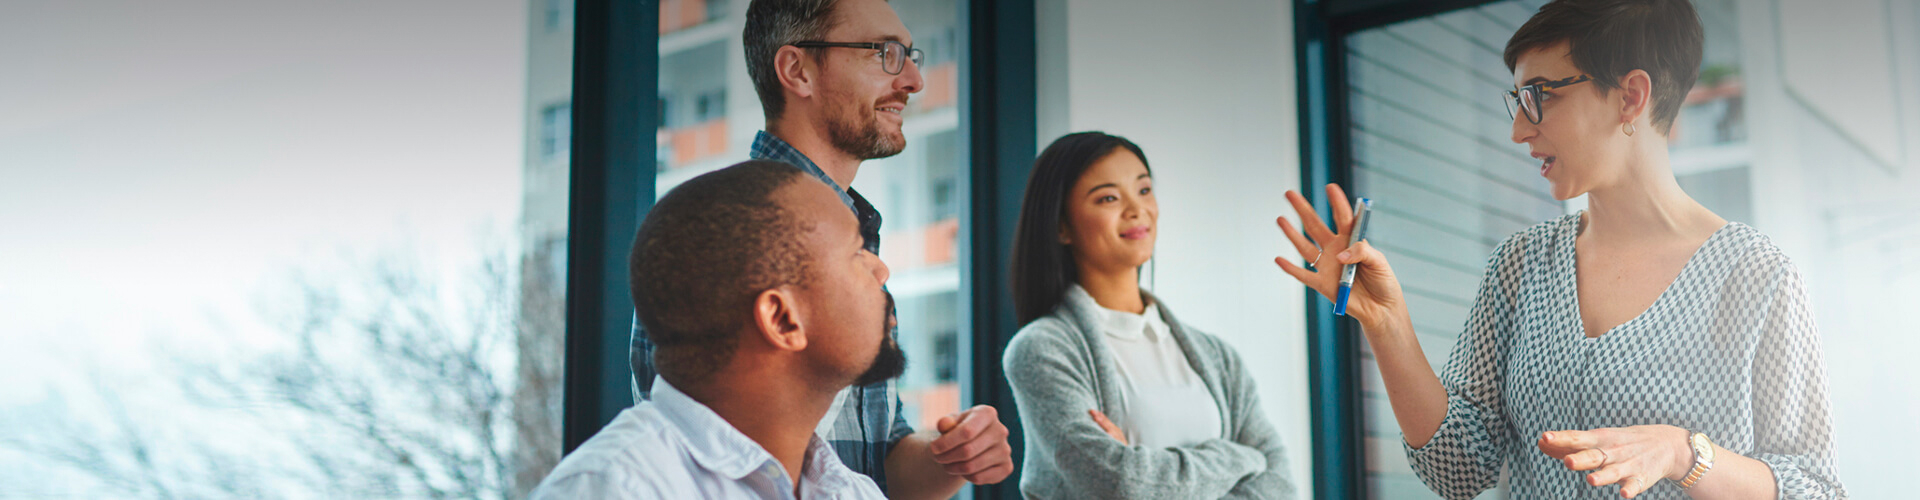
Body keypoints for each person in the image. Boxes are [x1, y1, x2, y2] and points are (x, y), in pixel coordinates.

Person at [1273, 1, 1843, 498]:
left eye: (1538, 96)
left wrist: (1682, 454)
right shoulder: (1521, 266)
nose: (1519, 129)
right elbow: (1457, 470)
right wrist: (1387, 322)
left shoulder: (1757, 277)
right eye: (1517, 100)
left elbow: (1815, 490)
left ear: (1630, 96)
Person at [628, 0, 1013, 497]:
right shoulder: (719, 231)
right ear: (797, 70)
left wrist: (952, 455)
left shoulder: (859, 243)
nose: (914, 79)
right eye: (885, 53)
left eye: (910, 54)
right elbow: (694, 459)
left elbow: (875, 461)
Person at [532, 161, 900, 499]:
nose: (880, 271)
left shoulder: (851, 492)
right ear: (782, 320)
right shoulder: (611, 489)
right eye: (855, 252)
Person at [1002, 132, 1297, 499]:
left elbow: (1281, 487)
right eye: (1108, 197)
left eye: (1143, 190)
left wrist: (1147, 473)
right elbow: (1122, 484)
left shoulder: (1218, 356)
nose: (1136, 209)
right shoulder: (1040, 351)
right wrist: (1242, 458)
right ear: (1061, 226)